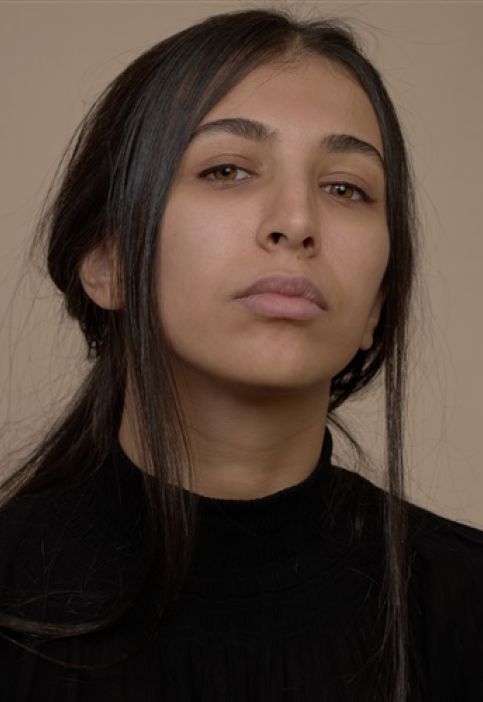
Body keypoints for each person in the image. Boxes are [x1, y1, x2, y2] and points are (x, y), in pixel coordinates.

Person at [0, 6, 482, 701]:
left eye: (344, 188)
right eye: (226, 170)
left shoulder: (463, 606)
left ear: (377, 303)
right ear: (108, 261)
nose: (297, 222)